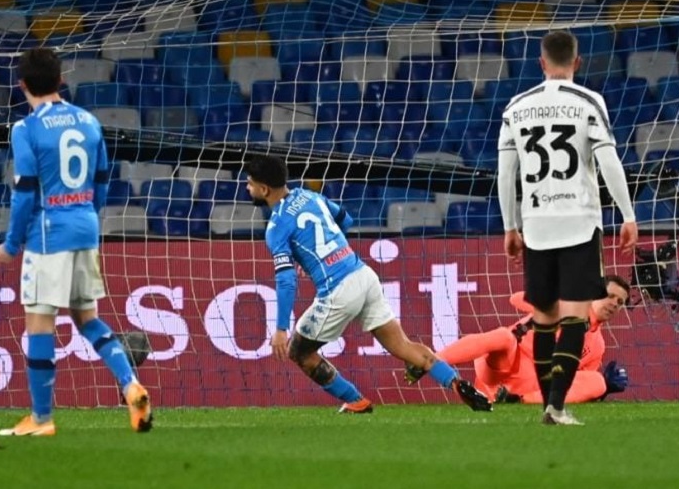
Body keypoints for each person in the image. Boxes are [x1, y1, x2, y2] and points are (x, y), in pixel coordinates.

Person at [244, 154, 492, 413]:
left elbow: (285, 279)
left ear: (264, 189)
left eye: (250, 183)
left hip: (338, 290)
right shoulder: (310, 196)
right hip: (363, 275)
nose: (247, 187)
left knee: (300, 352)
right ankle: (457, 382)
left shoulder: (276, 226)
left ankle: (355, 401)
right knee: (403, 346)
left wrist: (281, 328)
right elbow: (346, 219)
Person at [0, 47, 152, 436]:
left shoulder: (25, 128)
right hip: (85, 228)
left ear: (22, 85)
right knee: (87, 318)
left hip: (50, 234)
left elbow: (26, 191)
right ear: (61, 80)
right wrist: (87, 218)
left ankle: (42, 420)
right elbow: (101, 180)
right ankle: (131, 385)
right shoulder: (89, 122)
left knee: (39, 323)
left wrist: (12, 244)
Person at [496, 30, 638, 425]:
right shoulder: (589, 101)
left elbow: (506, 174)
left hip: (536, 224)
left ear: (541, 63)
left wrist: (511, 226)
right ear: (577, 62)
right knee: (575, 316)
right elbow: (609, 161)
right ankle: (557, 406)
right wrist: (627, 214)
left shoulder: (516, 106)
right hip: (579, 222)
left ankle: (547, 405)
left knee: (544, 318)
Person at [406, 276, 631, 405]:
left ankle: (518, 400)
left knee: (598, 381)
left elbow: (578, 384)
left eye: (620, 302)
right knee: (504, 336)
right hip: (505, 365)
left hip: (529, 385)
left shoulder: (597, 345)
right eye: (609, 296)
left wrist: (605, 390)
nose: (614, 303)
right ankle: (430, 361)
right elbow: (515, 298)